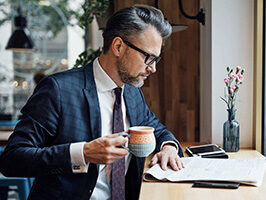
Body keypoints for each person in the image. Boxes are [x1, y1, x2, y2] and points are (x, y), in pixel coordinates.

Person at [0, 5, 184, 200]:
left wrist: (169, 147)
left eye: (156, 59)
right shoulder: (58, 90)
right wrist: (83, 153)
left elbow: (156, 128)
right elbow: (13, 159)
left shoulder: (132, 92)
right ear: (118, 47)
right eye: (148, 57)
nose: (152, 68)